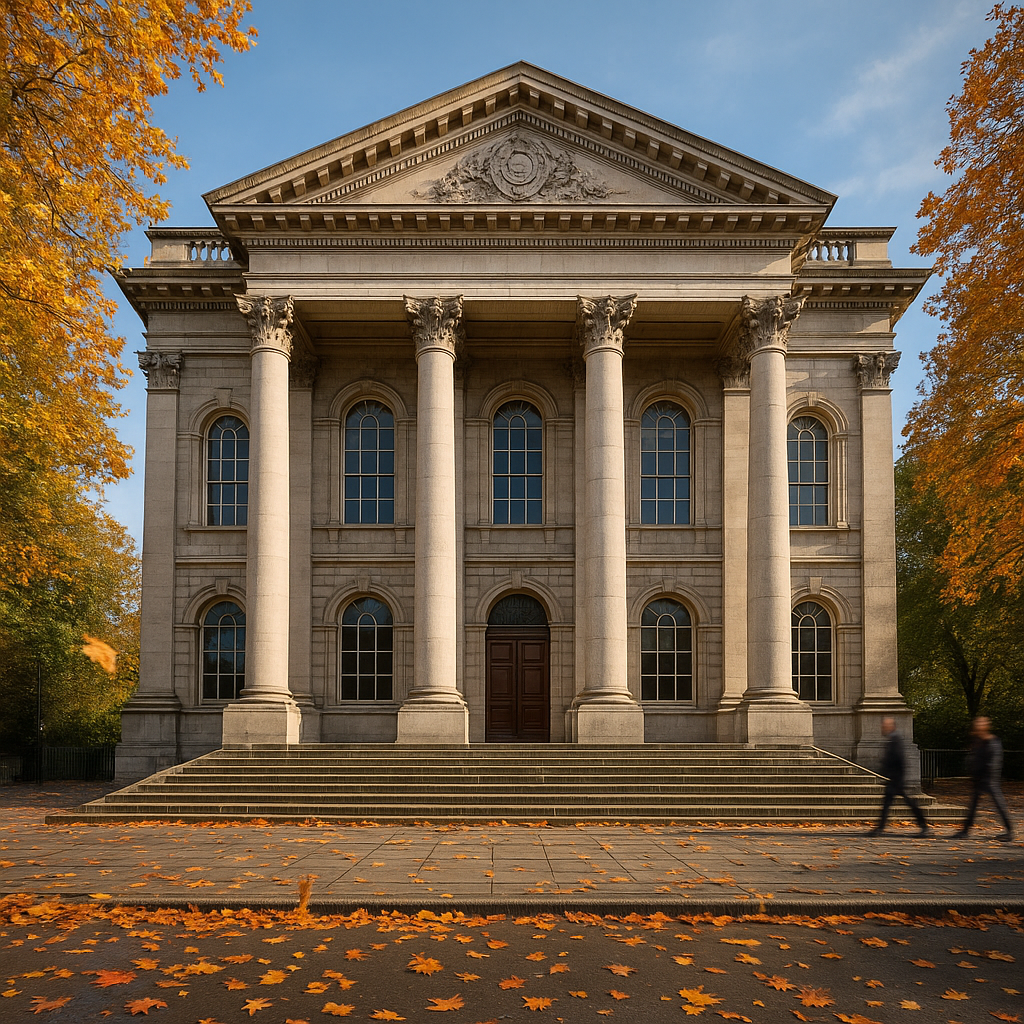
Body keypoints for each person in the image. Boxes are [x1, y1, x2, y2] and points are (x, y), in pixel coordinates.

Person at [954, 716, 1015, 841]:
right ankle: (965, 830)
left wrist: (986, 774)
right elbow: (973, 758)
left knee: (998, 804)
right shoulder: (978, 741)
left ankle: (1010, 831)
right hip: (979, 778)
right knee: (974, 805)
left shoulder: (992, 741)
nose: (977, 727)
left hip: (989, 779)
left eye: (980, 724)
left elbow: (994, 761)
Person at [868, 716, 928, 837]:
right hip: (894, 778)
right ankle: (880, 828)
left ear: (891, 726)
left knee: (907, 802)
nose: (882, 728)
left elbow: (899, 759)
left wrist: (896, 776)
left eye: (885, 726)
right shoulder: (892, 739)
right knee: (891, 803)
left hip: (896, 778)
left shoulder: (896, 739)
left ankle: (924, 826)